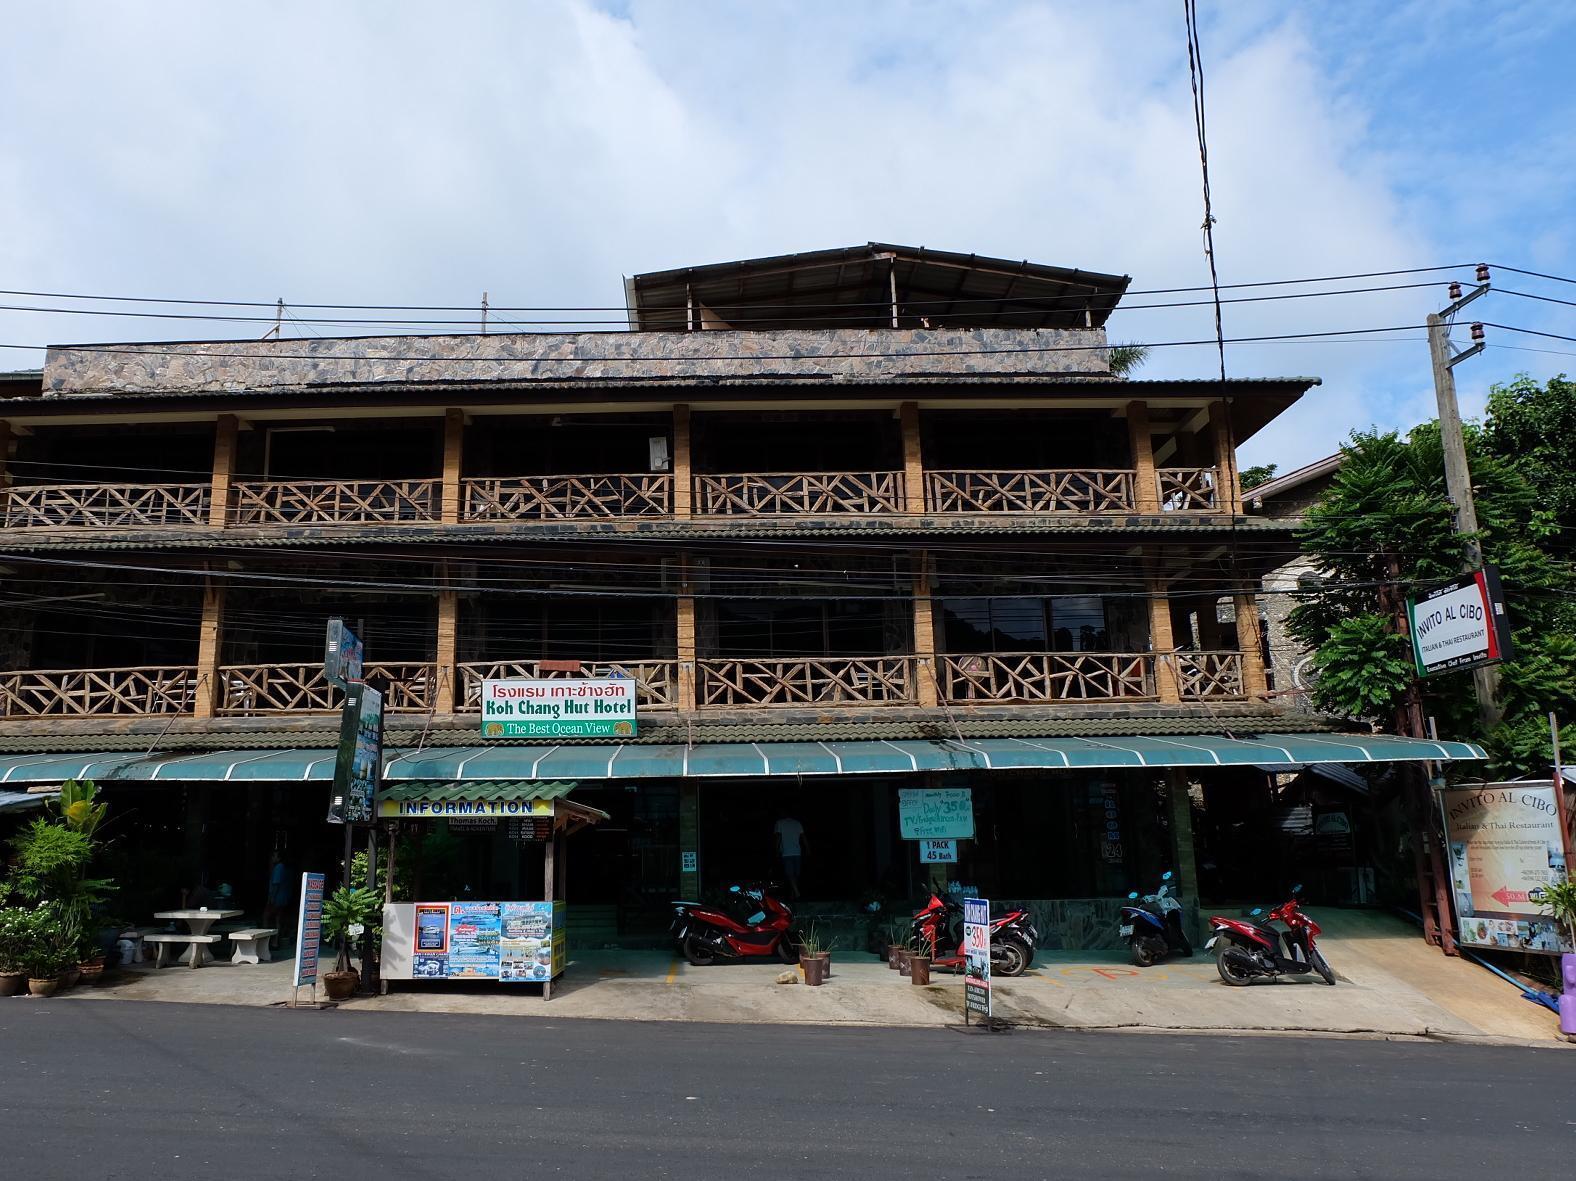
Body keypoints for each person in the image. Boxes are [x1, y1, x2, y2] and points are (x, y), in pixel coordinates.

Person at [261, 849, 293, 951]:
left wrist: (271, 898)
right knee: (278, 919)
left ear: (279, 858)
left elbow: (276, 884)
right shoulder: (283, 868)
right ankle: (275, 941)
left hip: (277, 897)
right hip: (283, 897)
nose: (272, 858)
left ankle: (265, 940)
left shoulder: (279, 867)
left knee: (266, 917)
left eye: (274, 856)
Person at [773, 813, 807, 899]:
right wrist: (807, 847)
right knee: (792, 874)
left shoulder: (782, 823)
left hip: (789, 852)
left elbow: (778, 837)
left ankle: (794, 893)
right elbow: (803, 837)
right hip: (793, 851)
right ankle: (796, 892)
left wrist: (776, 849)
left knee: (793, 874)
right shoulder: (794, 823)